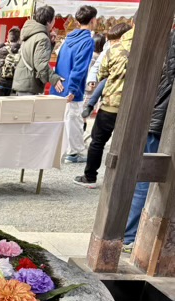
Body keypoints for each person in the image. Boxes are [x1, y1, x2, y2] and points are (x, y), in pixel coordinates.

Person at [122, 29, 175, 249]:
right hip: (161, 120)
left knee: (141, 177)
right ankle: (131, 236)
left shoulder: (161, 38)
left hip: (150, 115)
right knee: (147, 179)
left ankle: (129, 234)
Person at [75, 20, 135, 188]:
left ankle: (90, 177)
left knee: (98, 142)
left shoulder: (113, 50)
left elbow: (103, 73)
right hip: (135, 108)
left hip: (111, 105)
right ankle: (124, 182)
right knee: (129, 145)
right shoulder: (148, 50)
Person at [50, 5, 98, 163]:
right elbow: (80, 68)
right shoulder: (87, 41)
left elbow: (59, 61)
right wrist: (73, 89)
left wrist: (57, 80)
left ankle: (64, 150)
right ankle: (73, 152)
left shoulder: (69, 38)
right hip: (72, 86)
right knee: (74, 118)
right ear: (92, 21)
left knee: (63, 118)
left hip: (59, 84)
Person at [82, 23, 132, 118]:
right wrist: (92, 80)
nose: (112, 43)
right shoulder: (108, 51)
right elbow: (97, 68)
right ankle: (90, 105)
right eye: (111, 41)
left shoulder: (129, 51)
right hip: (109, 84)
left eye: (115, 41)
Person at [12, 6, 64, 95]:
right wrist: (54, 79)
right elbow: (41, 64)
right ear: (48, 21)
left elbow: (35, 56)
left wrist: (50, 43)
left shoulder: (31, 32)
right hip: (30, 85)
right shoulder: (42, 38)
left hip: (22, 81)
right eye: (54, 18)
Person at [0, 26, 21, 97]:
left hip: (0, 80)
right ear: (19, 38)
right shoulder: (21, 50)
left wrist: (3, 44)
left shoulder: (5, 49)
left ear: (9, 38)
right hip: (12, 81)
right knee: (6, 101)